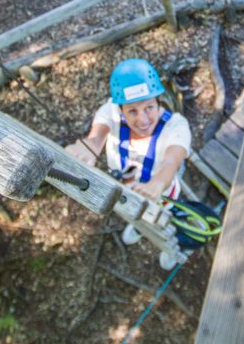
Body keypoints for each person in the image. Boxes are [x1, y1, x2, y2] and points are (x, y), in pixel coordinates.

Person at [65, 58, 192, 269]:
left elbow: (171, 161)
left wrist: (156, 184)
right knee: (134, 215)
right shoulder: (111, 112)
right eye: (132, 111)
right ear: (120, 109)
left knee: (166, 224)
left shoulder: (176, 126)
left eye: (149, 108)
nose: (142, 120)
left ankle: (171, 248)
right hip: (125, 192)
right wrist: (88, 147)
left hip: (162, 197)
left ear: (158, 101)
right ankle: (140, 228)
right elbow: (97, 136)